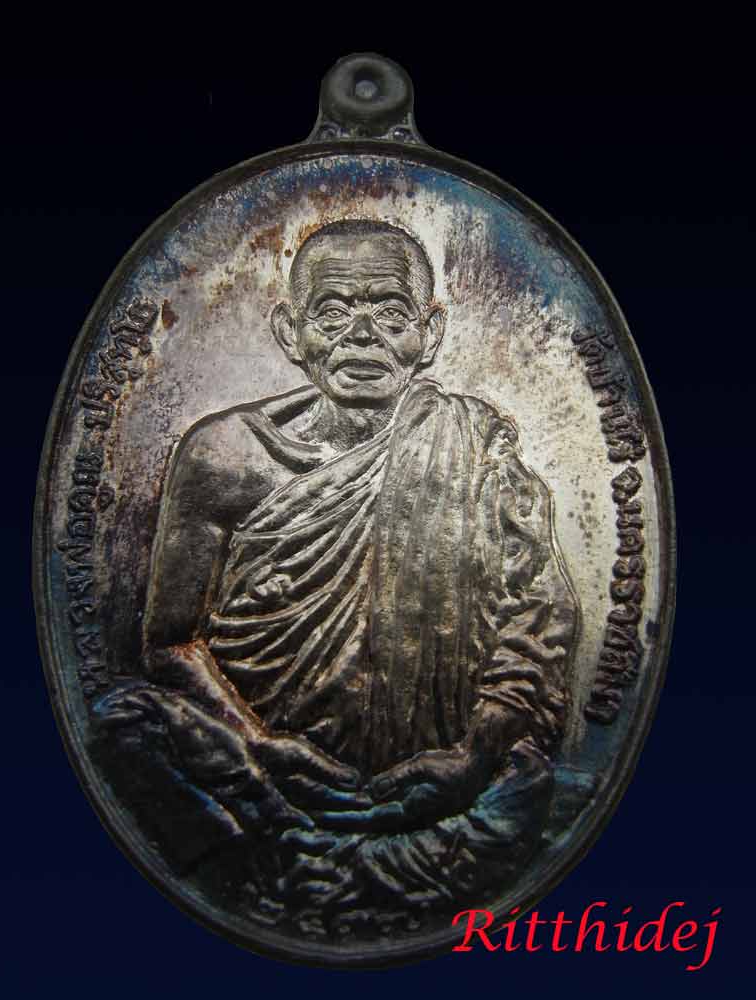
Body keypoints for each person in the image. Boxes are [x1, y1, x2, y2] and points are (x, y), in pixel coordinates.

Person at [98, 219, 579, 914]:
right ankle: (293, 845)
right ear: (291, 333)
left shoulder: (474, 448)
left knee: (530, 785)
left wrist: (477, 749)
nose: (362, 336)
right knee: (127, 722)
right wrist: (257, 742)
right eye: (332, 312)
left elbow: (539, 613)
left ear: (430, 335)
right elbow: (170, 643)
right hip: (264, 774)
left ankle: (336, 857)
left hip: (436, 781)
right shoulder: (225, 455)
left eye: (391, 313)